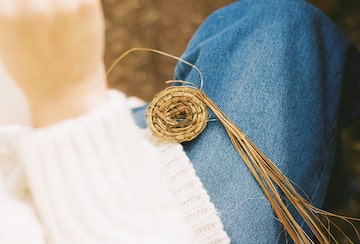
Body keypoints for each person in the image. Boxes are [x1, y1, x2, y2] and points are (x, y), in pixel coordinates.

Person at [0, 0, 359, 243]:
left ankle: (327, 188)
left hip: (36, 150)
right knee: (282, 28)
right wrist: (70, 101)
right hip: (163, 223)